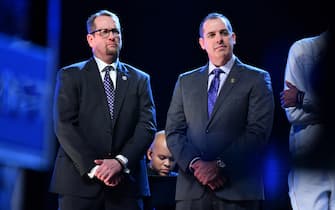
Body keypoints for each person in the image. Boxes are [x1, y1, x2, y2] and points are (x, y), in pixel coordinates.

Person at [165, 12, 274, 210]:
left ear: (233, 38)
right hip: (192, 192)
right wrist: (196, 165)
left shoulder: (257, 79)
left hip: (238, 191)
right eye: (212, 35)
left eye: (224, 33)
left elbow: (258, 132)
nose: (219, 39)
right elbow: (173, 132)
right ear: (202, 43)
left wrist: (219, 165)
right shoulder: (185, 81)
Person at [49, 10, 157, 210]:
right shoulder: (71, 75)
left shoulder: (140, 79)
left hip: (127, 186)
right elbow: (64, 125)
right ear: (91, 39)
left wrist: (120, 162)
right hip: (79, 184)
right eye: (105, 31)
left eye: (116, 31)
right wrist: (95, 167)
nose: (112, 36)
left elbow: (147, 126)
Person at [280, 30, 335, 210]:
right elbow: (294, 114)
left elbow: (299, 105)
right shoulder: (303, 50)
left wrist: (303, 99)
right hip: (309, 163)